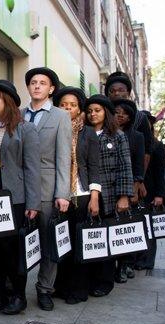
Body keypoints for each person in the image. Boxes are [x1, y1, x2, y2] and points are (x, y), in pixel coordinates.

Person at [0, 80, 40, 315]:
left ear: (7, 101)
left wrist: (33, 203)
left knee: (12, 249)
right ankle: (0, 293)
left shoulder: (25, 129)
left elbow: (32, 168)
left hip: (15, 196)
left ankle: (18, 296)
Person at [21, 67, 72, 311]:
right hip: (20, 190)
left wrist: (62, 193)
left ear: (51, 89)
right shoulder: (18, 115)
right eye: (33, 82)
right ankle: (14, 287)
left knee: (48, 241)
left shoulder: (61, 116)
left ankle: (44, 289)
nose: (37, 86)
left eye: (43, 82)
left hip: (48, 188)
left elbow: (64, 158)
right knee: (20, 241)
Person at [51, 86, 101, 304]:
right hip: (58, 194)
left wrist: (95, 197)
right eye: (63, 105)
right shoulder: (53, 128)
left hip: (80, 194)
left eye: (72, 105)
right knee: (62, 243)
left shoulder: (87, 132)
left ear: (79, 108)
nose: (68, 108)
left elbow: (94, 165)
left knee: (79, 243)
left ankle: (78, 290)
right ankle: (60, 287)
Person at [84, 94, 133, 297]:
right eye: (89, 111)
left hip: (110, 194)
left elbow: (125, 167)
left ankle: (105, 281)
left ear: (106, 112)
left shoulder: (117, 135)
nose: (93, 114)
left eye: (97, 110)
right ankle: (89, 279)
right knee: (89, 237)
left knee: (106, 237)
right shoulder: (84, 133)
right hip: (86, 193)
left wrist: (124, 196)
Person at [113, 99, 145, 283]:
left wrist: (133, 188)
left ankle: (125, 265)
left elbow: (139, 165)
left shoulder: (137, 136)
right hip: (109, 186)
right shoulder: (107, 132)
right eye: (117, 111)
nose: (120, 115)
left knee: (125, 229)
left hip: (128, 186)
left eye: (125, 113)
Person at [135, 111, 165, 270]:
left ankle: (146, 260)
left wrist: (160, 194)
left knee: (149, 228)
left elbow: (161, 172)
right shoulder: (133, 139)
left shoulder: (156, 145)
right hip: (134, 191)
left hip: (150, 192)